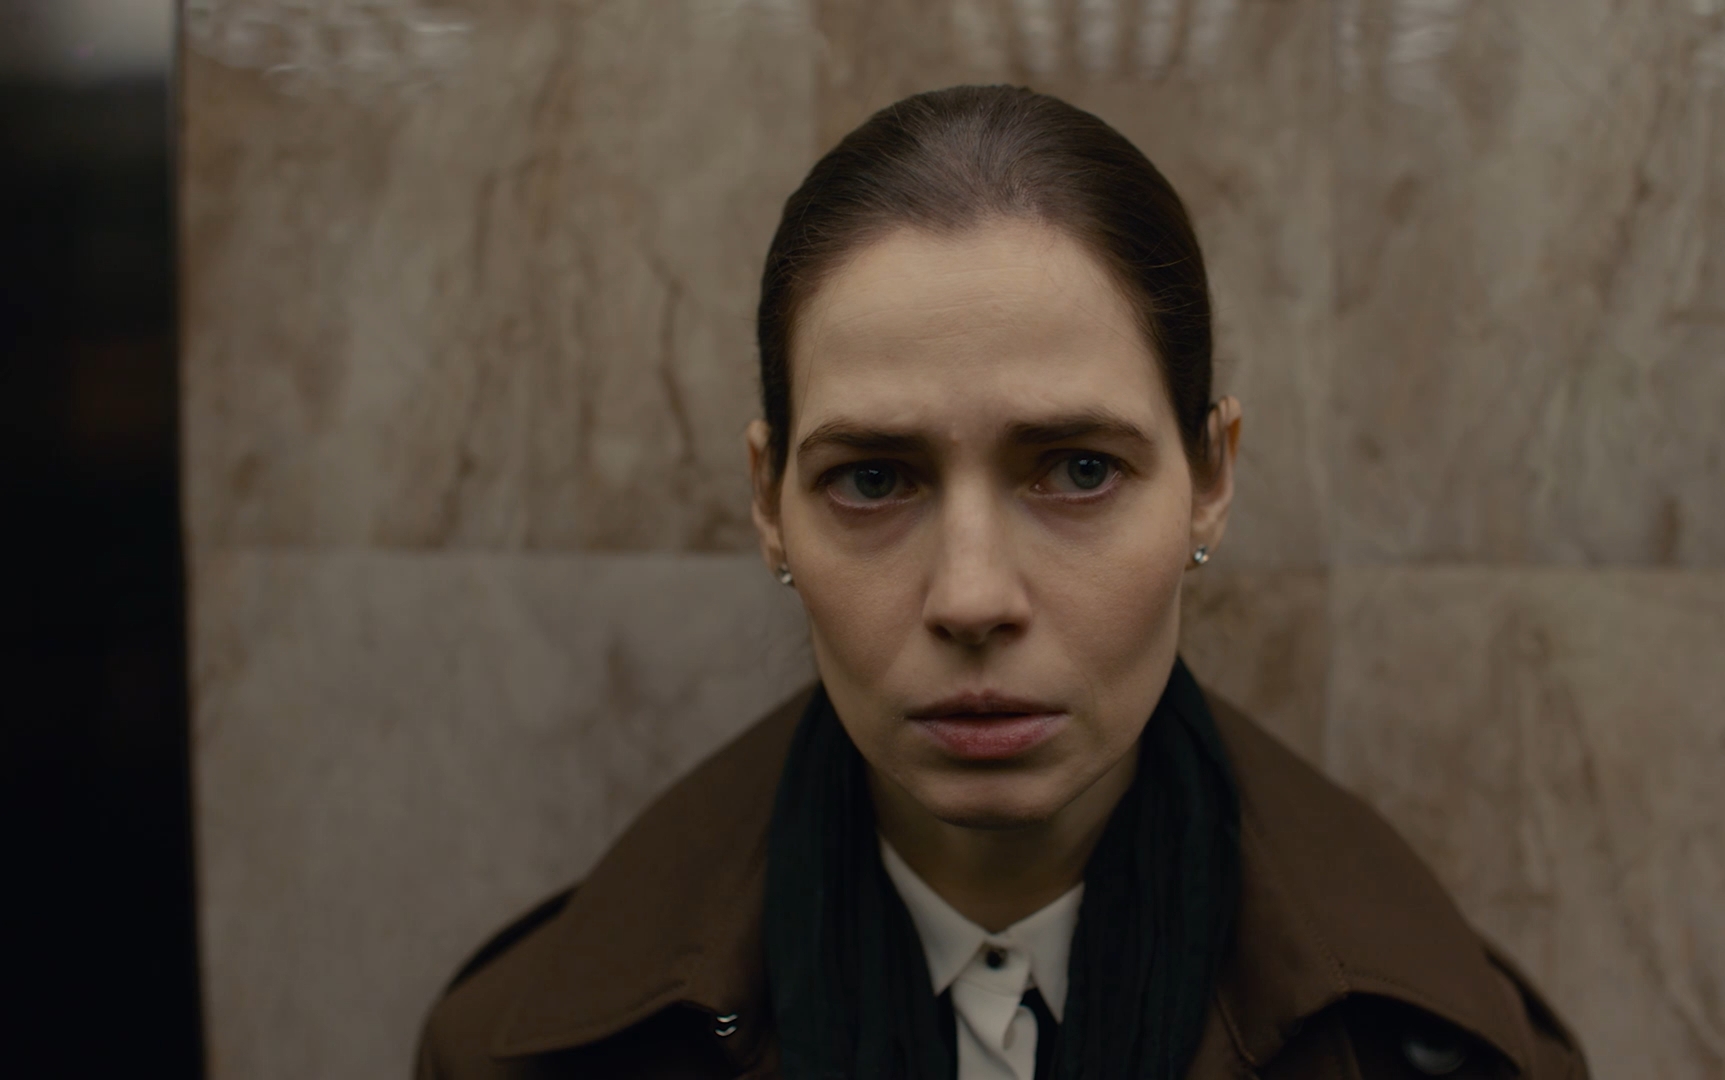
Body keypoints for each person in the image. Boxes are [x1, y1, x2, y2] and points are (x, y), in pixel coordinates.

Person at [414, 84, 1590, 1080]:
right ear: (770, 504)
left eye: (1078, 470)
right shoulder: (517, 1052)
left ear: (1211, 478)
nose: (972, 599)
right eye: (874, 479)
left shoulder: (1442, 1056)